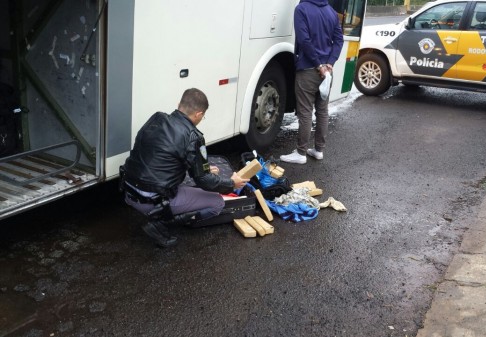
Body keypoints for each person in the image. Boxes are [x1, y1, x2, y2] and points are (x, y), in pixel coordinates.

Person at [121, 88, 249, 247]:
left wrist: (204, 168)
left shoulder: (157, 118)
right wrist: (231, 183)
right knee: (217, 203)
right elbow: (205, 182)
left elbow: (163, 157)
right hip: (152, 200)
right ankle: (161, 224)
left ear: (179, 105)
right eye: (203, 116)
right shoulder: (194, 137)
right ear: (199, 114)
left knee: (189, 181)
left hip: (129, 191)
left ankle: (162, 215)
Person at [280, 0, 343, 164]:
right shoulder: (331, 11)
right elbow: (339, 40)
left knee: (305, 111)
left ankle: (301, 152)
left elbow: (304, 40)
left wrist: (318, 64)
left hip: (309, 69)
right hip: (327, 72)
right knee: (322, 111)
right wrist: (330, 63)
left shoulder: (301, 9)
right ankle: (318, 150)